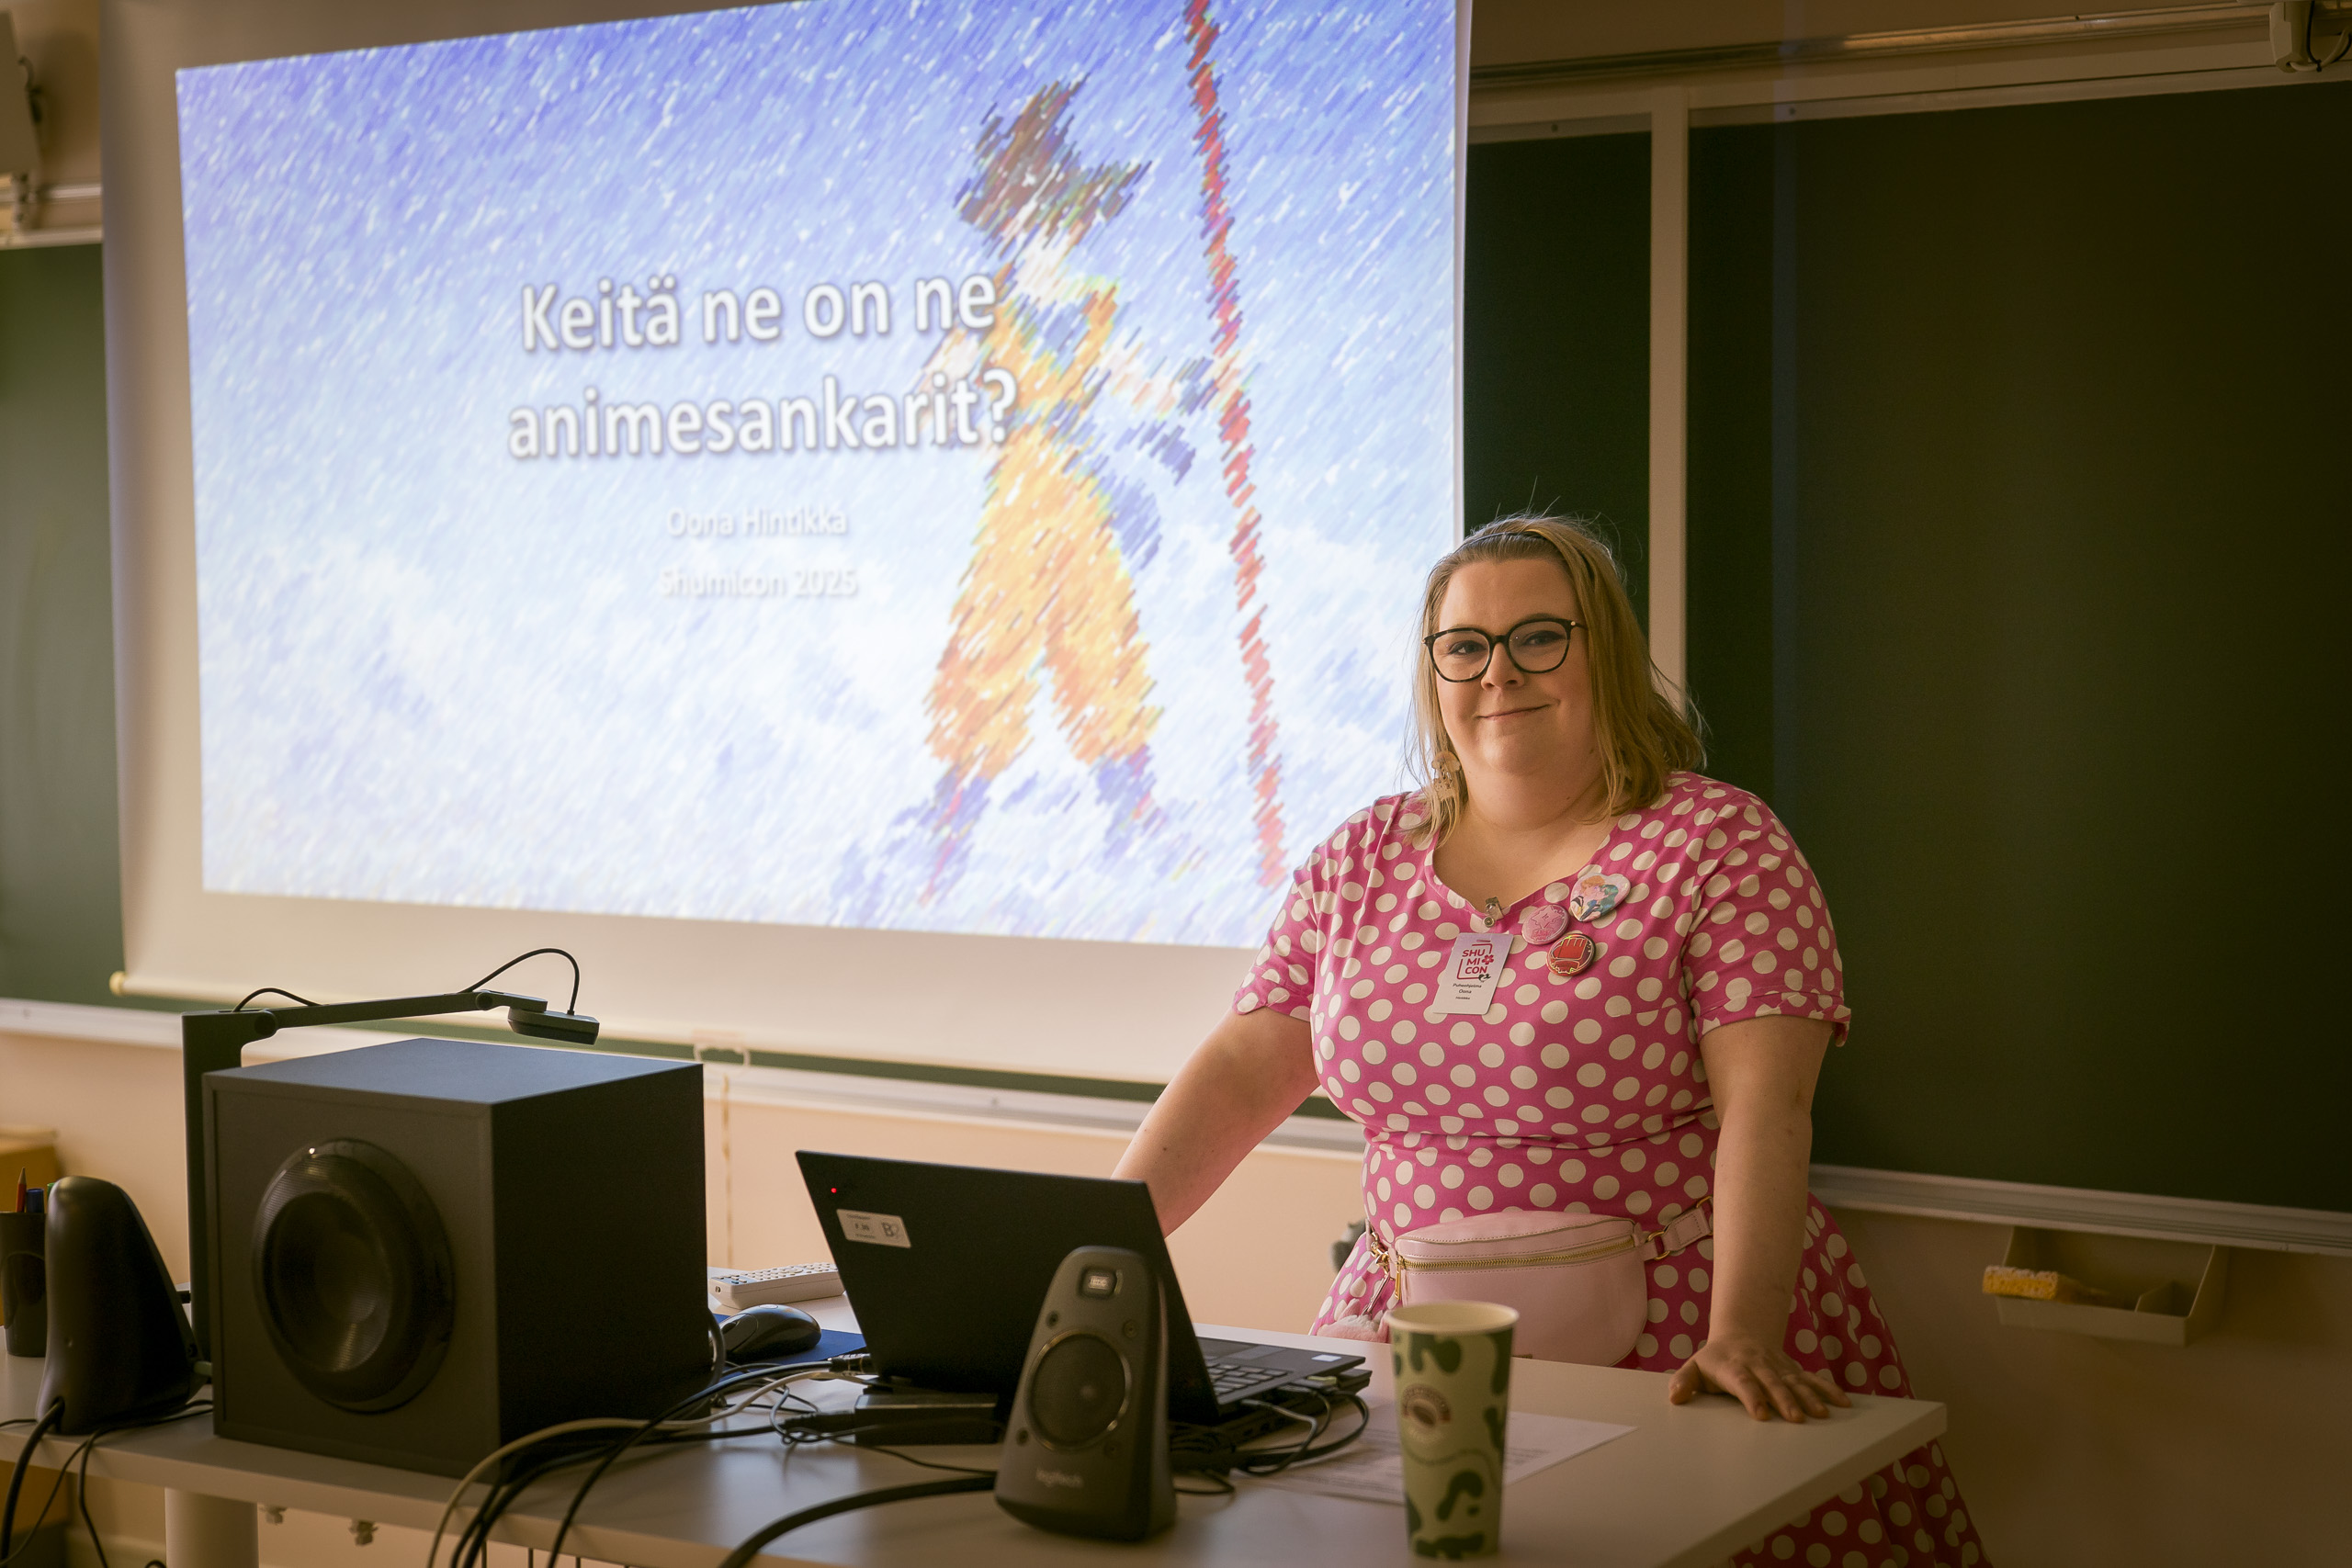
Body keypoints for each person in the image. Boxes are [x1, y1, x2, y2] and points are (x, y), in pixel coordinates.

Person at [1114, 515, 1989, 1567]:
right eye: (1464, 646)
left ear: (1602, 653)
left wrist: (1742, 1333)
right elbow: (1239, 1070)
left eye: (1538, 637)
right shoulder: (1360, 858)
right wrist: (1095, 1249)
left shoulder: (1720, 843)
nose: (1498, 673)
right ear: (1433, 669)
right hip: (1413, 1341)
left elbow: (1769, 1109)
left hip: (1687, 1333)